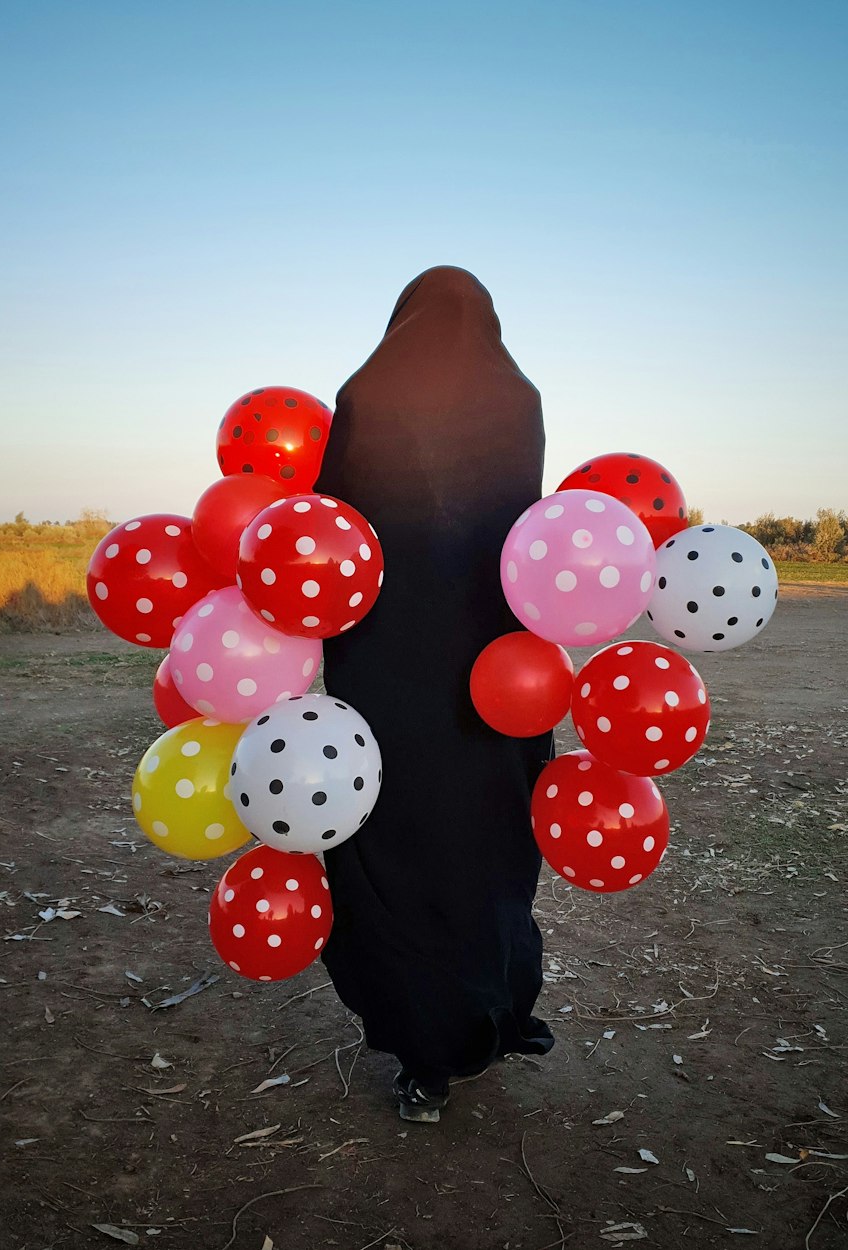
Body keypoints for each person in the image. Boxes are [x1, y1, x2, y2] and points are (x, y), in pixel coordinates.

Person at [315, 266, 554, 1122]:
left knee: (391, 847)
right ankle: (488, 1012)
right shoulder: (516, 402)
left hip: (384, 674)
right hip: (495, 683)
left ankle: (424, 1060)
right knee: (484, 851)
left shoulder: (365, 396)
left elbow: (328, 531)